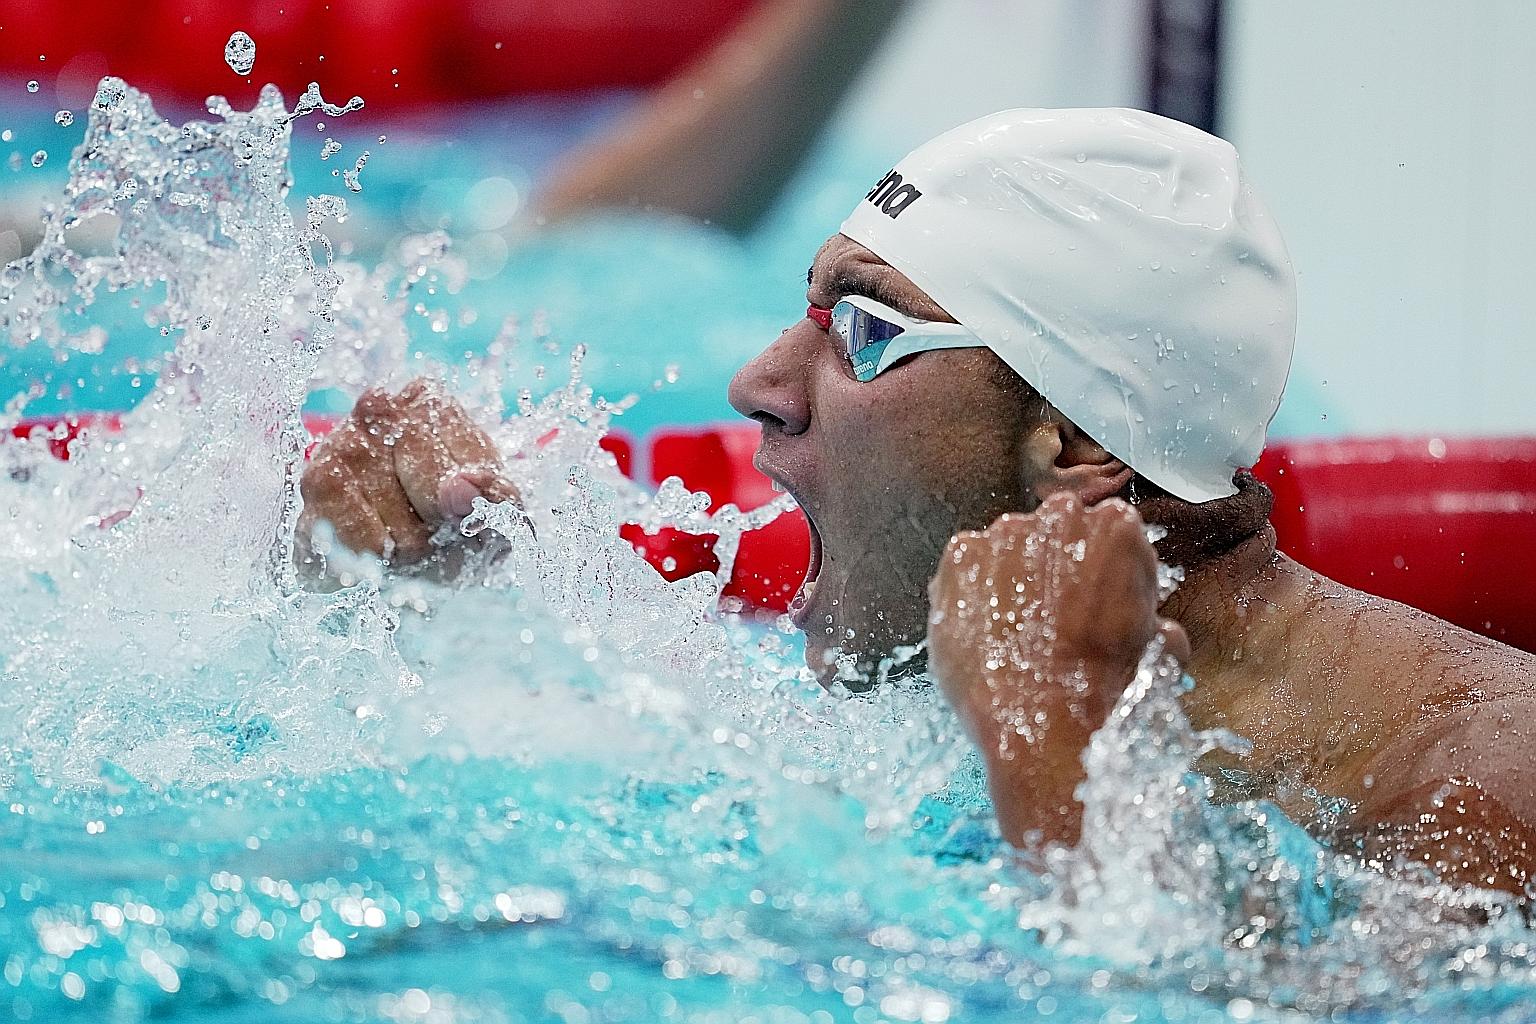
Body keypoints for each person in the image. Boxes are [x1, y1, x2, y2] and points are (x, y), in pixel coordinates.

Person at [297, 109, 1536, 899]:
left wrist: (1052, 745)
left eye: (864, 331)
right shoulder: (929, 691)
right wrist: (391, 611)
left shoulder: (1478, 788)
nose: (759, 386)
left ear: (1080, 444)